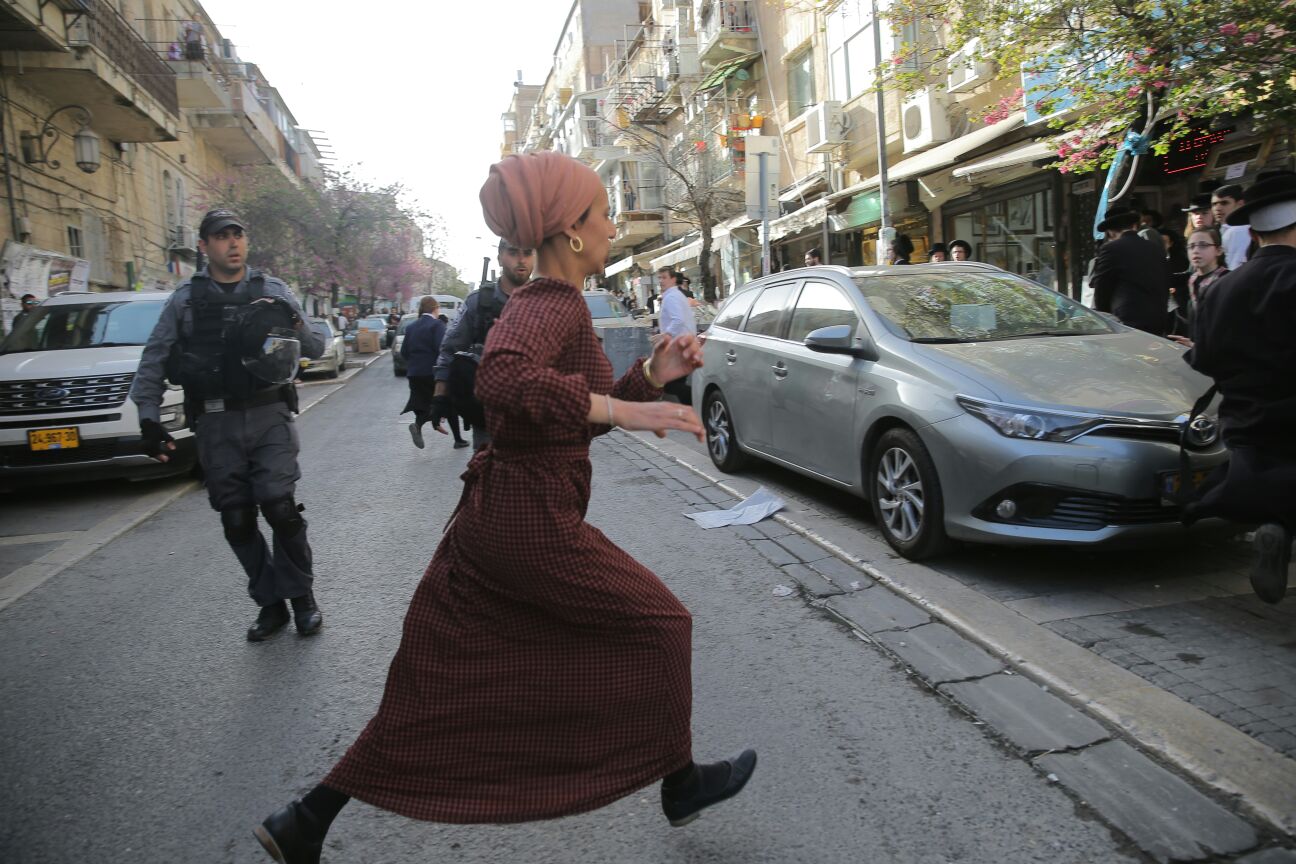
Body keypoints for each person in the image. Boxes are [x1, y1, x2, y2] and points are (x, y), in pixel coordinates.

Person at [253, 151, 756, 864]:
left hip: (502, 514)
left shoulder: (557, 304)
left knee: (439, 677)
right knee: (662, 622)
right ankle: (679, 782)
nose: (614, 226)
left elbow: (574, 416)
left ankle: (305, 819)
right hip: (529, 519)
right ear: (573, 232)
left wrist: (650, 378)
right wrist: (621, 403)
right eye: (604, 213)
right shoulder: (548, 302)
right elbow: (502, 378)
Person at [130, 209, 326, 641]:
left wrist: (292, 320)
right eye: (222, 237)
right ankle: (270, 604)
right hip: (216, 422)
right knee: (237, 519)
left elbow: (315, 344)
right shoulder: (185, 300)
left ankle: (302, 600)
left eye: (239, 234)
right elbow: (155, 359)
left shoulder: (272, 291)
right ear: (204, 247)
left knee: (279, 505)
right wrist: (148, 417)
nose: (233, 243)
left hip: (268, 413)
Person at [1183, 172, 1296, 603]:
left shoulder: (1223, 288)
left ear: (1255, 231)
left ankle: (1275, 529)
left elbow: (1204, 358)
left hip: (1248, 418)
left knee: (1273, 489)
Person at [428, 238, 534, 451]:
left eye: (528, 253)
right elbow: (450, 349)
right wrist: (440, 397)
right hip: (489, 417)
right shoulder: (479, 302)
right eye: (513, 252)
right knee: (487, 478)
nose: (521, 260)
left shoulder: (546, 301)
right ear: (500, 257)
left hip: (535, 415)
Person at [1089, 205, 1169, 335]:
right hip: (1158, 321)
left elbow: (1101, 291)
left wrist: (1105, 319)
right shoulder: (1155, 248)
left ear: (1110, 232)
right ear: (1134, 226)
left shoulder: (1111, 249)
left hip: (1127, 323)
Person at [402, 296, 468, 450]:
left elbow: (404, 351)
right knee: (447, 403)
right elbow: (443, 349)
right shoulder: (436, 325)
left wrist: (414, 363)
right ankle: (458, 439)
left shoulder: (411, 327)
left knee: (423, 403)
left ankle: (418, 426)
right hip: (432, 372)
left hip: (414, 373)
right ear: (435, 308)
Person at [656, 265, 696, 408]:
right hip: (683, 347)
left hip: (681, 348)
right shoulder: (675, 295)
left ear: (673, 279)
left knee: (670, 385)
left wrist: (665, 335)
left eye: (664, 278)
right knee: (674, 384)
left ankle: (698, 406)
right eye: (659, 278)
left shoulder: (672, 297)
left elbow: (678, 320)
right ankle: (695, 410)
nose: (661, 281)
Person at [1213, 184, 1251, 269]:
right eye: (1214, 204)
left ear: (1240, 204)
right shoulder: (1219, 230)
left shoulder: (1238, 231)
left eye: (1224, 203)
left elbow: (1234, 268)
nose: (1217, 208)